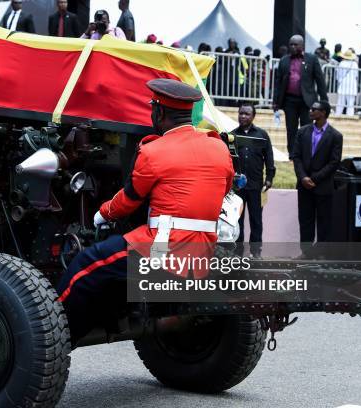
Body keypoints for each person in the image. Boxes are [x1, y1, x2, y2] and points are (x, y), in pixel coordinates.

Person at [56, 78, 234, 345]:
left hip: (162, 249)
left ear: (159, 112)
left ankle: (52, 335)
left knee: (84, 265)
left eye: (153, 109)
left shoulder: (154, 151)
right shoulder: (219, 147)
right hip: (203, 249)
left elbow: (129, 200)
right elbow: (224, 188)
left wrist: (101, 214)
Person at [292, 101, 343, 246]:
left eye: (314, 109)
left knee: (324, 222)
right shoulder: (302, 131)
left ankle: (322, 254)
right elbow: (296, 156)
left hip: (323, 186)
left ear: (323, 113)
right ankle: (306, 253)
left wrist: (314, 179)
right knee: (305, 220)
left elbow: (334, 163)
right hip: (304, 186)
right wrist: (303, 177)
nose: (310, 111)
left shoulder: (335, 136)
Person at [273, 35, 328, 160]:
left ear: (302, 46)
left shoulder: (312, 59)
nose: (292, 46)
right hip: (289, 100)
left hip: (307, 102)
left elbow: (320, 81)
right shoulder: (284, 60)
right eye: (291, 44)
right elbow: (278, 82)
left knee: (307, 128)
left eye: (295, 44)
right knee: (291, 129)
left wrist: (324, 101)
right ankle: (292, 154)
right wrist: (275, 101)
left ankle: (306, 153)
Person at [233, 103, 275, 257]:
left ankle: (256, 252)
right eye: (241, 113)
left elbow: (269, 158)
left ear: (253, 116)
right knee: (236, 221)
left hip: (256, 187)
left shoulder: (262, 135)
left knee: (256, 220)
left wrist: (269, 178)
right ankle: (237, 252)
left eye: (247, 114)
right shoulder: (232, 135)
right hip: (236, 188)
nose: (243, 116)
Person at [335, 49, 358, 116]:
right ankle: (350, 116)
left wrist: (339, 81)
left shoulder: (342, 63)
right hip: (352, 84)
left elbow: (338, 75)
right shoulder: (354, 64)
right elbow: (356, 75)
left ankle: (337, 115)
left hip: (343, 84)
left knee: (340, 102)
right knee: (350, 103)